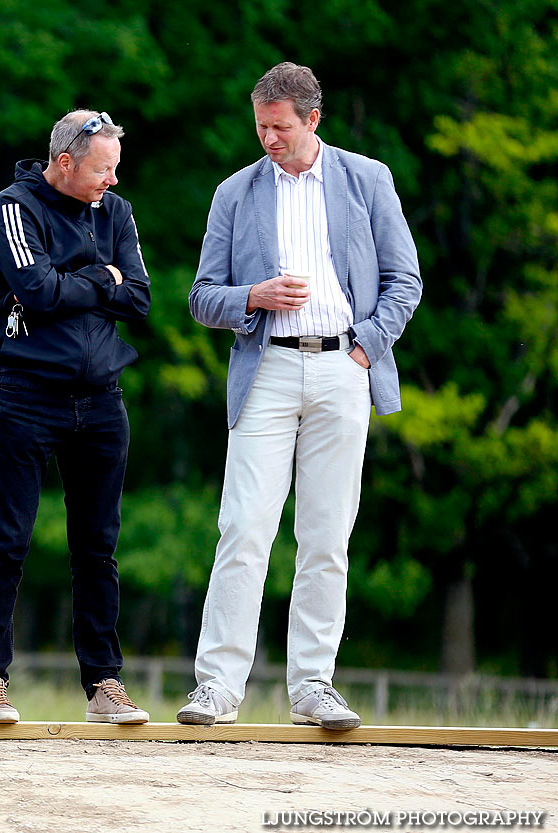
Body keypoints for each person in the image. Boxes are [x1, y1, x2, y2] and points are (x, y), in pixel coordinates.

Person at [181, 63, 422, 730]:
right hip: (266, 371)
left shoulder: (368, 180)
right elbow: (202, 296)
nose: (268, 138)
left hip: (344, 364)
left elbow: (406, 278)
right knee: (244, 528)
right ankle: (217, 687)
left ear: (313, 120)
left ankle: (314, 685)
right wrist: (253, 297)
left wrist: (368, 343)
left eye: (279, 127)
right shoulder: (235, 192)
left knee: (325, 536)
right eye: (259, 126)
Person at [0, 110, 152, 725]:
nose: (112, 182)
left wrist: (78, 281)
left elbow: (141, 298)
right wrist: (104, 276)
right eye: (103, 171)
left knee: (97, 548)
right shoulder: (13, 206)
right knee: (10, 542)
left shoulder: (116, 213)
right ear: (66, 162)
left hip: (103, 399)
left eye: (116, 171)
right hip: (26, 393)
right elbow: (36, 291)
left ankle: (104, 683)